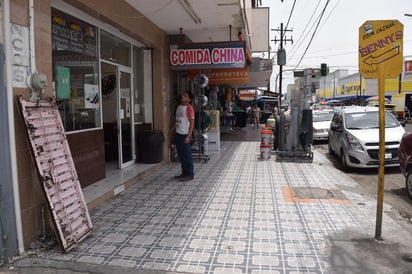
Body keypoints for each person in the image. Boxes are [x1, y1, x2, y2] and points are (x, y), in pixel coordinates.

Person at [170, 91, 195, 181]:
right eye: (183, 95)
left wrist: (188, 136)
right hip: (178, 133)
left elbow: (192, 123)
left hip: (185, 135)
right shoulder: (179, 107)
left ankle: (190, 174)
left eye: (185, 96)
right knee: (181, 155)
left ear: (189, 99)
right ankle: (184, 173)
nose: (183, 96)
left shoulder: (189, 108)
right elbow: (176, 119)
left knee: (187, 155)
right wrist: (172, 129)